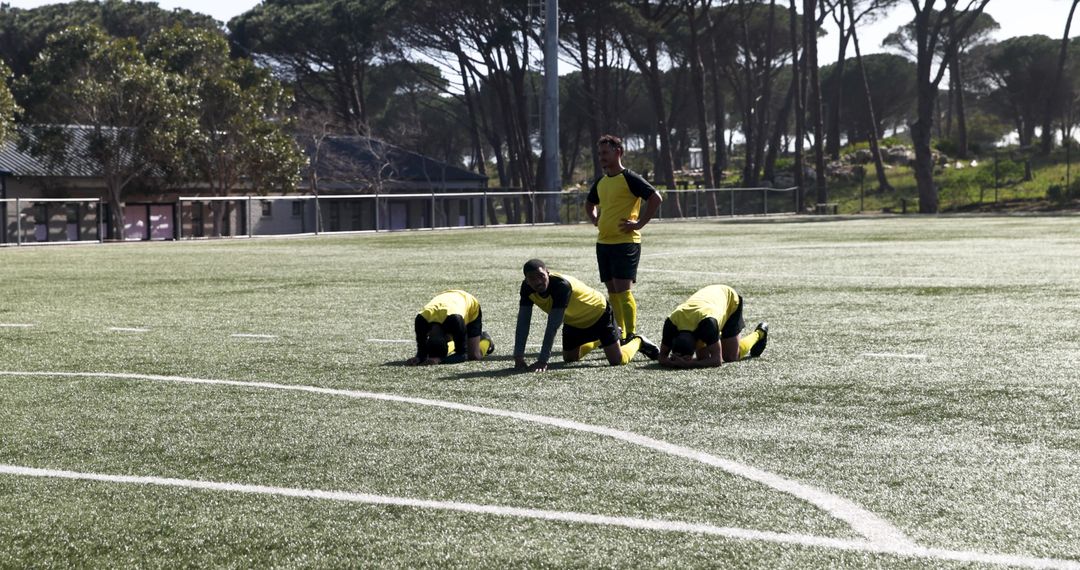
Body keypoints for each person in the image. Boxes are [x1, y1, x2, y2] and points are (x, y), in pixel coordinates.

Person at [514, 259, 659, 372]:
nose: (538, 281)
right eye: (532, 278)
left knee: (617, 360)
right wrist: (518, 357)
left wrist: (543, 361)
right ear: (527, 280)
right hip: (574, 321)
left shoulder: (560, 286)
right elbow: (523, 323)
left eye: (541, 276)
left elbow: (553, 326)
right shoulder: (526, 289)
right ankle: (599, 341)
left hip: (598, 313)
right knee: (570, 358)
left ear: (548, 273)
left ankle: (638, 341)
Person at [585, 134, 663, 343]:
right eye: (600, 153)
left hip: (625, 243)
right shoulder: (601, 182)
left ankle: (631, 334)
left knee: (623, 290)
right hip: (603, 244)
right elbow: (589, 203)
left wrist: (639, 224)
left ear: (618, 152)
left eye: (605, 153)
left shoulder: (630, 178)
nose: (601, 157)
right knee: (612, 291)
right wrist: (595, 220)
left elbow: (656, 198)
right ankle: (617, 333)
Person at [658, 284, 768, 368]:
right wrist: (670, 360)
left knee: (730, 356)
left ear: (697, 342)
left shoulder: (708, 324)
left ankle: (760, 333)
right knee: (703, 357)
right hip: (709, 301)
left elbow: (717, 360)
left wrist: (687, 364)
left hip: (729, 298)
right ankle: (717, 339)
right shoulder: (671, 323)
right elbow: (662, 357)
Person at [407, 290, 494, 365]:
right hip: (446, 296)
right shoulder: (421, 321)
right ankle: (452, 345)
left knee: (474, 356)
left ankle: (486, 340)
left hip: (469, 302)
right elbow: (422, 351)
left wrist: (440, 360)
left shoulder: (455, 321)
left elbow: (463, 355)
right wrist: (419, 358)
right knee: (451, 341)